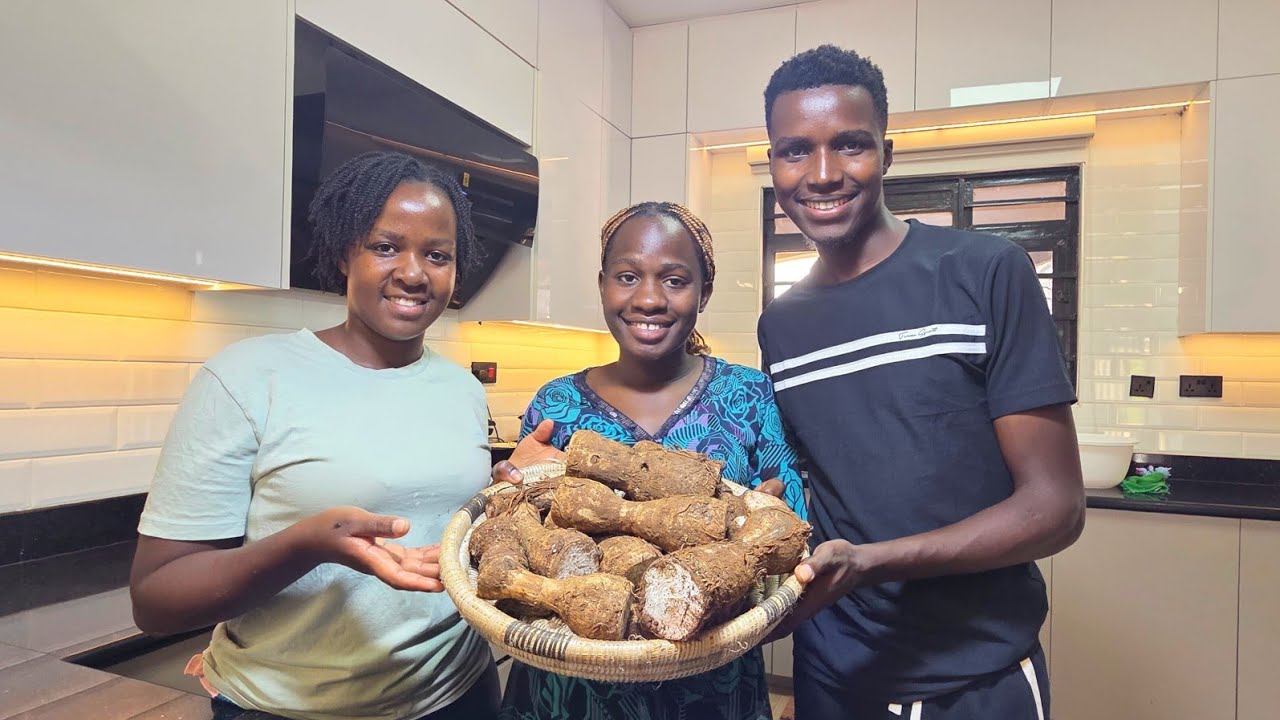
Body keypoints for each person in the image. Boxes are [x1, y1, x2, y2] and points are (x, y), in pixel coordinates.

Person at [130, 151, 536, 720]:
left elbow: (441, 526)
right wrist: (309, 543)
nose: (414, 273)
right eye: (386, 246)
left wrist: (515, 492)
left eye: (437, 255)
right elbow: (156, 600)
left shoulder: (459, 388)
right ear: (348, 253)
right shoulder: (248, 377)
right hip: (287, 708)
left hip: (459, 695)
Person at [756, 46, 1085, 720]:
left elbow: (1055, 508)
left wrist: (874, 562)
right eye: (795, 151)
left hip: (975, 677)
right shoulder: (780, 327)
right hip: (832, 679)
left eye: (850, 145)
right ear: (773, 163)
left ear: (888, 152)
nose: (822, 174)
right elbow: (823, 485)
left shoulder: (986, 271)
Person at [491, 201, 807, 720]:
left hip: (711, 692)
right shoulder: (556, 404)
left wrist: (763, 523)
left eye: (675, 280)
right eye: (628, 276)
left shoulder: (749, 396)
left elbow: (788, 550)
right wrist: (510, 488)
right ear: (602, 285)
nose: (649, 299)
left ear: (704, 292)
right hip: (570, 696)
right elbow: (519, 541)